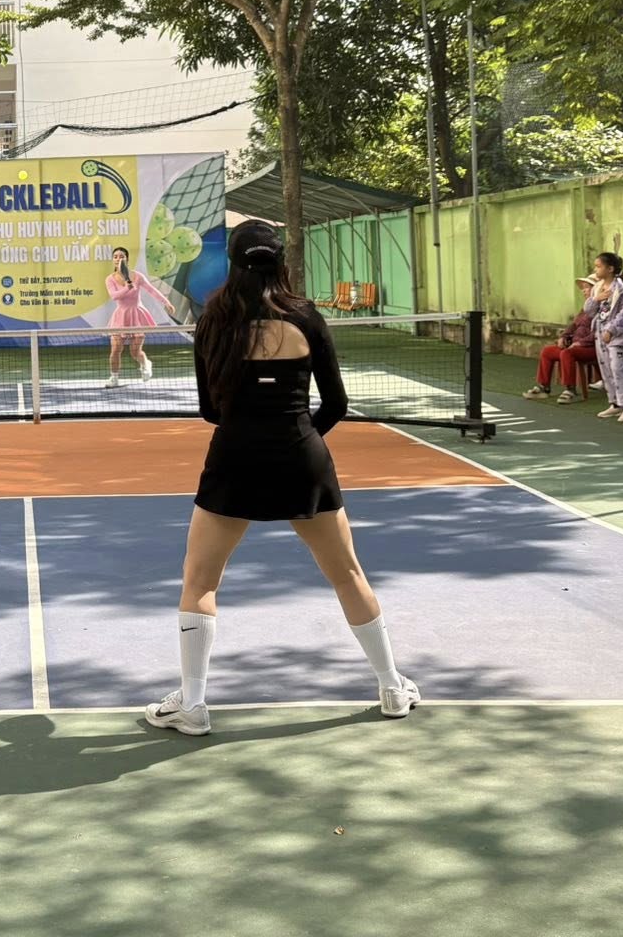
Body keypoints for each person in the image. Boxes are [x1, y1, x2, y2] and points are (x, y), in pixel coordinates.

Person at [141, 219, 419, 737]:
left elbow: (210, 410)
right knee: (348, 574)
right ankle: (391, 687)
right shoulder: (306, 317)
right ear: (280, 260)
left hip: (234, 458)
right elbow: (335, 404)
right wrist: (295, 439)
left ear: (233, 263)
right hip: (302, 460)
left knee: (199, 581)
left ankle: (193, 706)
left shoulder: (213, 320)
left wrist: (253, 432)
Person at [104, 245, 182, 389]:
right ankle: (114, 378)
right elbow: (114, 296)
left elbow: (152, 290)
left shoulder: (138, 276)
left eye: (121, 256)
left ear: (127, 259)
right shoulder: (110, 279)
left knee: (135, 352)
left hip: (137, 316)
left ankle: (145, 363)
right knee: (115, 350)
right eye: (115, 257)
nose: (118, 259)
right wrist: (127, 287)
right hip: (120, 317)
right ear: (113, 260)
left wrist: (166, 302)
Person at [524, 275, 598, 404]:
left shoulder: (602, 307)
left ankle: (570, 390)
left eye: (587, 287)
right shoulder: (585, 308)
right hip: (574, 346)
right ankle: (544, 387)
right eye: (583, 288)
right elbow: (573, 325)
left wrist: (580, 343)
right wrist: (563, 337)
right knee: (547, 351)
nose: (584, 291)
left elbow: (598, 333)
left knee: (567, 353)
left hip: (591, 347)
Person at [590, 253, 623, 424]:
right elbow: (589, 310)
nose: (595, 269)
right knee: (606, 368)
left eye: (599, 266)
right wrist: (595, 299)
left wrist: (611, 330)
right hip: (600, 334)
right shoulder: (597, 288)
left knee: (617, 368)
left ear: (610, 269)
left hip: (616, 337)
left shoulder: (622, 291)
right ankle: (614, 402)